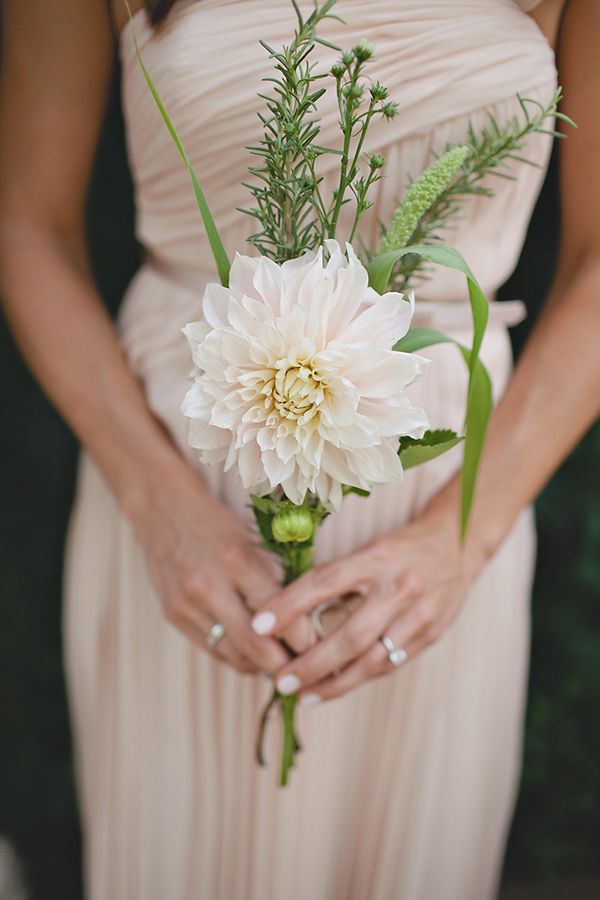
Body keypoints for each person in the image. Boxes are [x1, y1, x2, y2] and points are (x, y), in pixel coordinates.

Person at [0, 1, 598, 898]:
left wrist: (460, 538)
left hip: (448, 498)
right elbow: (26, 225)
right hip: (183, 470)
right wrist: (159, 509)